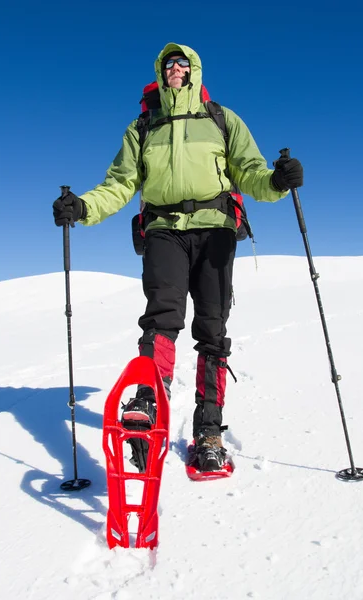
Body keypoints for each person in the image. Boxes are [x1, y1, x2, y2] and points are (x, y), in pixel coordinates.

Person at [53, 43, 303, 473]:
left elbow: (251, 172)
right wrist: (84, 207)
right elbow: (120, 183)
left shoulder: (222, 120)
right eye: (168, 63)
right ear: (159, 71)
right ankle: (148, 408)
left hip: (216, 230)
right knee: (161, 317)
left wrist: (277, 181)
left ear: (195, 71)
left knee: (212, 328)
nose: (175, 69)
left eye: (182, 63)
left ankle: (209, 431)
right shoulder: (143, 126)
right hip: (164, 229)